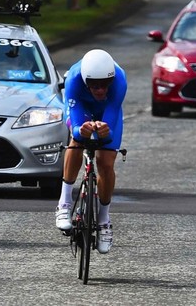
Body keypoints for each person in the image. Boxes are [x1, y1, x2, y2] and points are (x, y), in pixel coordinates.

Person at [55, 49, 127, 254]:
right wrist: (81, 129)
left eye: (105, 85)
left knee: (105, 161)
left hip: (106, 111)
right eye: (95, 85)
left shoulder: (120, 80)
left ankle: (104, 220)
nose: (100, 90)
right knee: (77, 141)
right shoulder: (74, 81)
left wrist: (105, 131)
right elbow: (75, 121)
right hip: (81, 107)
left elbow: (111, 123)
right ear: (86, 81)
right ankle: (64, 203)